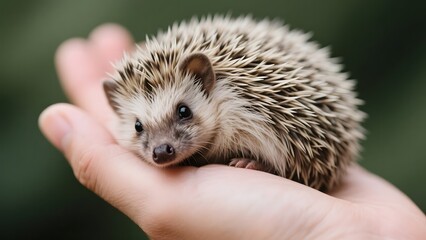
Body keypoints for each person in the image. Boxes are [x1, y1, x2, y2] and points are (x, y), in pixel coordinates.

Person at [38, 24, 426, 239]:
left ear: (206, 82)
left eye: (183, 114)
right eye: (141, 128)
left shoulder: (237, 104)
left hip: (283, 152)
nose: (161, 147)